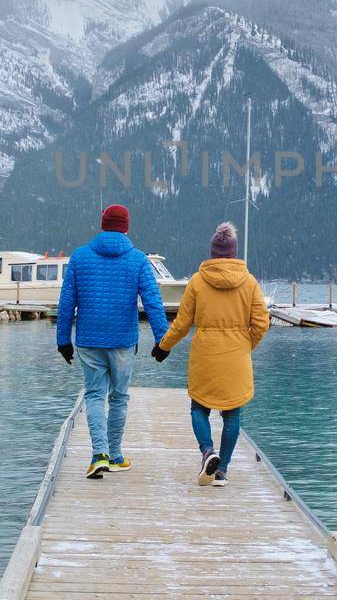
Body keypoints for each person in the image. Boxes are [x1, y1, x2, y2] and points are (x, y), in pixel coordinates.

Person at [56, 204, 169, 478]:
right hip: (122, 342)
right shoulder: (139, 260)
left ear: (103, 224)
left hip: (89, 339)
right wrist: (162, 340)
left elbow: (66, 303)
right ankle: (115, 456)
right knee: (119, 397)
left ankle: (99, 455)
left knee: (94, 395)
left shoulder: (80, 257)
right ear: (127, 227)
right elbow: (153, 302)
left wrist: (63, 340)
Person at [153, 221, 268, 487]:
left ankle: (207, 451)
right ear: (234, 252)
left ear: (213, 252)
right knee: (232, 413)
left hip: (205, 354)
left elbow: (182, 324)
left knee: (199, 407)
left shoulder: (197, 281)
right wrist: (245, 345)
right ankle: (222, 470)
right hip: (237, 354)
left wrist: (164, 346)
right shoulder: (249, 282)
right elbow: (262, 323)